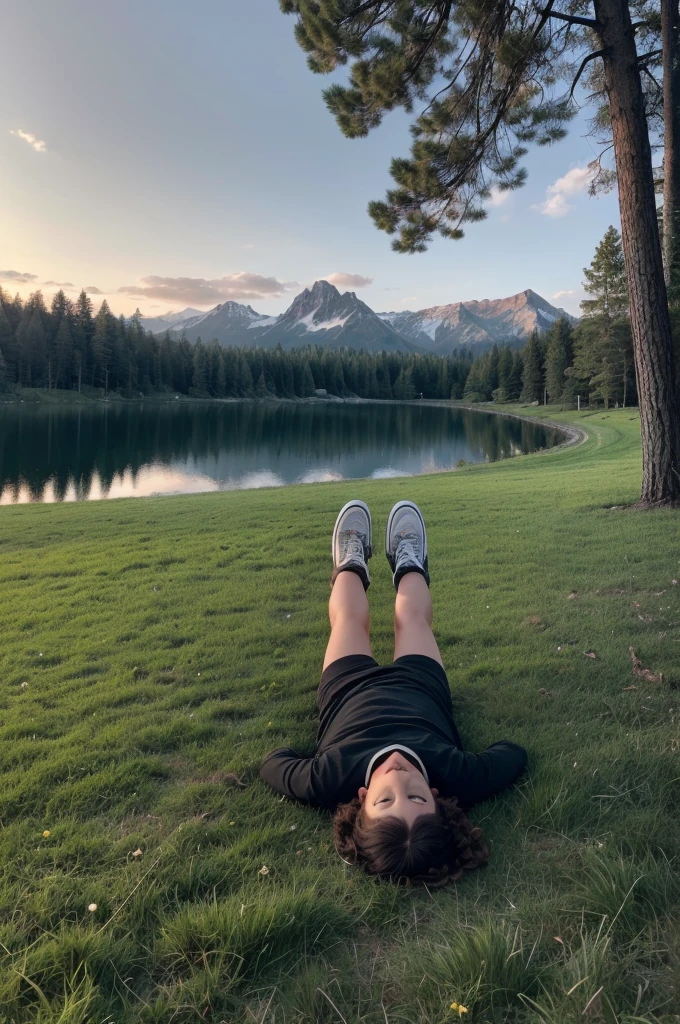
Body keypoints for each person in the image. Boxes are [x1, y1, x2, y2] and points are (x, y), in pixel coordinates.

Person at [260, 499, 527, 885]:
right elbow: (512, 755)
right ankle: (409, 560)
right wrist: (467, 789)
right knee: (411, 618)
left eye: (385, 800)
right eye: (418, 798)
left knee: (349, 619)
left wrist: (317, 771)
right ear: (437, 796)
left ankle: (350, 558)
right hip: (421, 684)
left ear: (362, 798)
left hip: (347, 688)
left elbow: (273, 764)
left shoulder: (328, 779)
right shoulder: (459, 776)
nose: (400, 779)